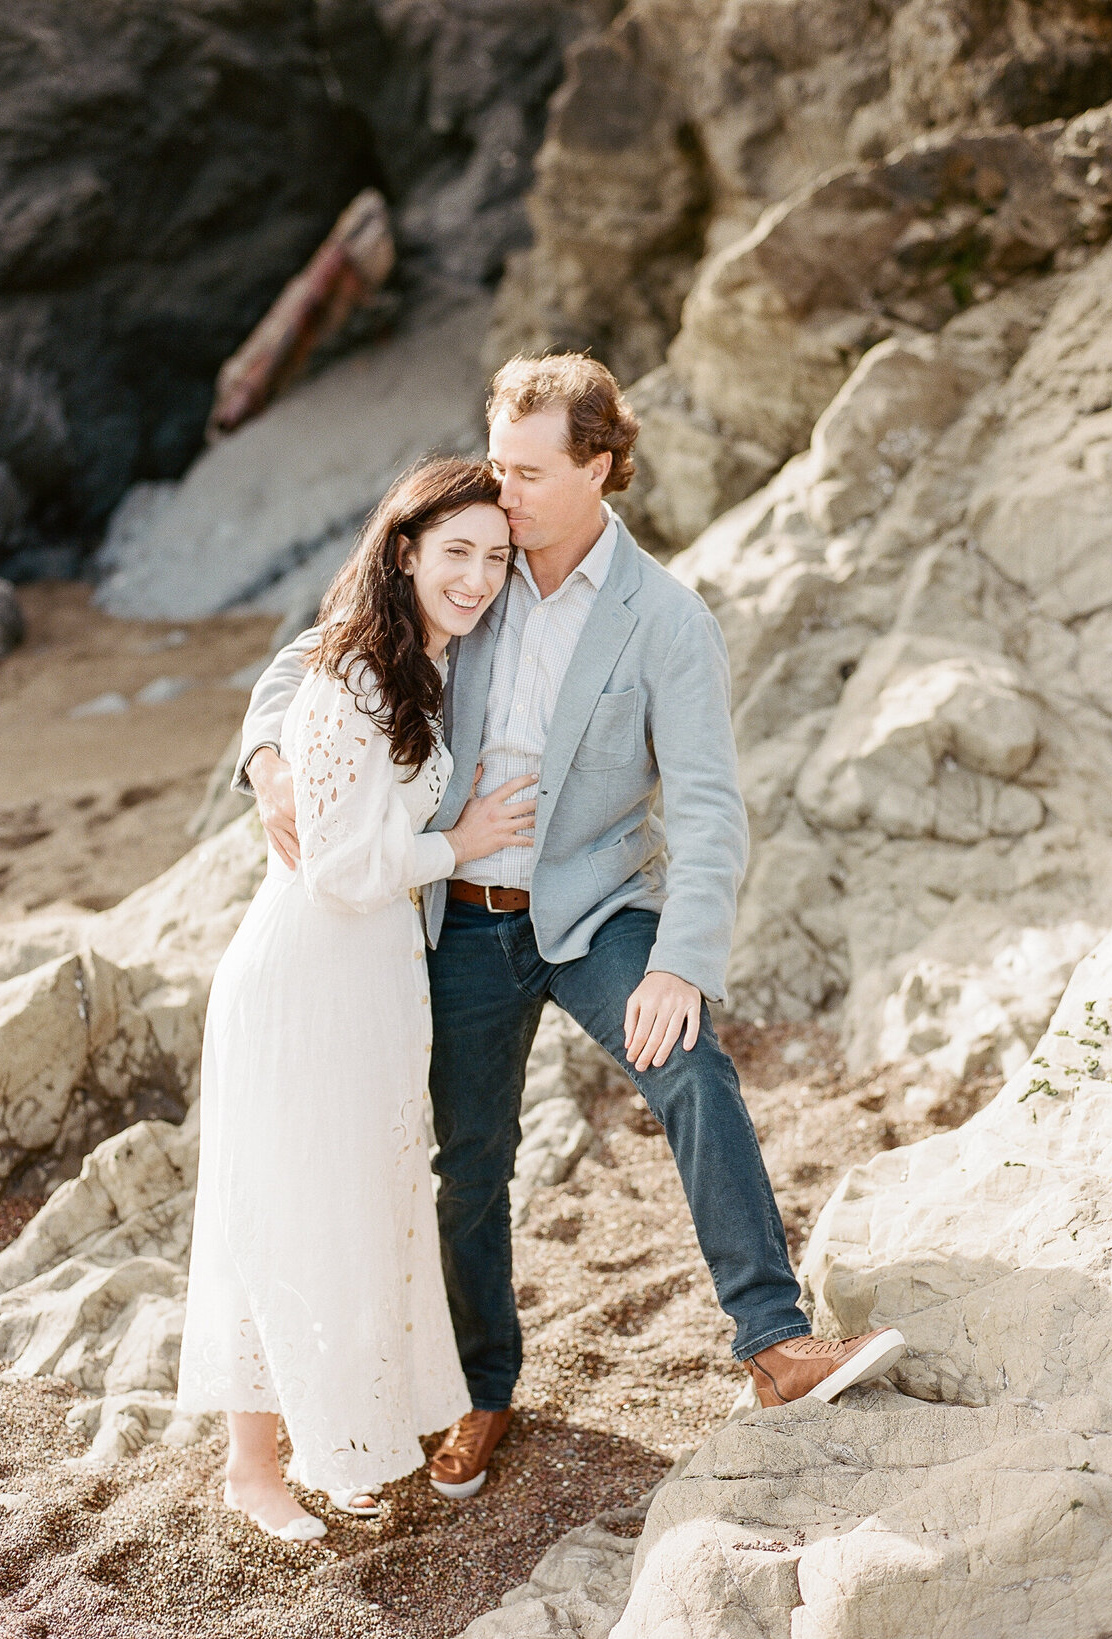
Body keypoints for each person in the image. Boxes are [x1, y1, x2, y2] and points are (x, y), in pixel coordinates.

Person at [237, 355, 905, 1501]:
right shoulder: (470, 568)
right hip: (455, 916)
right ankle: (483, 1387)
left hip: (599, 913)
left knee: (693, 1068)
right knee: (470, 1162)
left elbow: (707, 806)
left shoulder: (668, 620)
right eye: (497, 462)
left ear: (599, 467)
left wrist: (683, 962)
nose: (505, 490)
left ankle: (774, 1344)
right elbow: (315, 651)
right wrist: (264, 758)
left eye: (530, 471)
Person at [177, 458, 540, 1541]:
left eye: (496, 556)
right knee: (287, 1213)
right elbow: (335, 867)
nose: (476, 577)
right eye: (456, 552)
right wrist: (459, 842)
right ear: (404, 551)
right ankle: (257, 1466)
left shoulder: (423, 660)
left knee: (349, 1209)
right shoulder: (358, 674)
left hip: (375, 979)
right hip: (304, 977)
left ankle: (339, 1434)